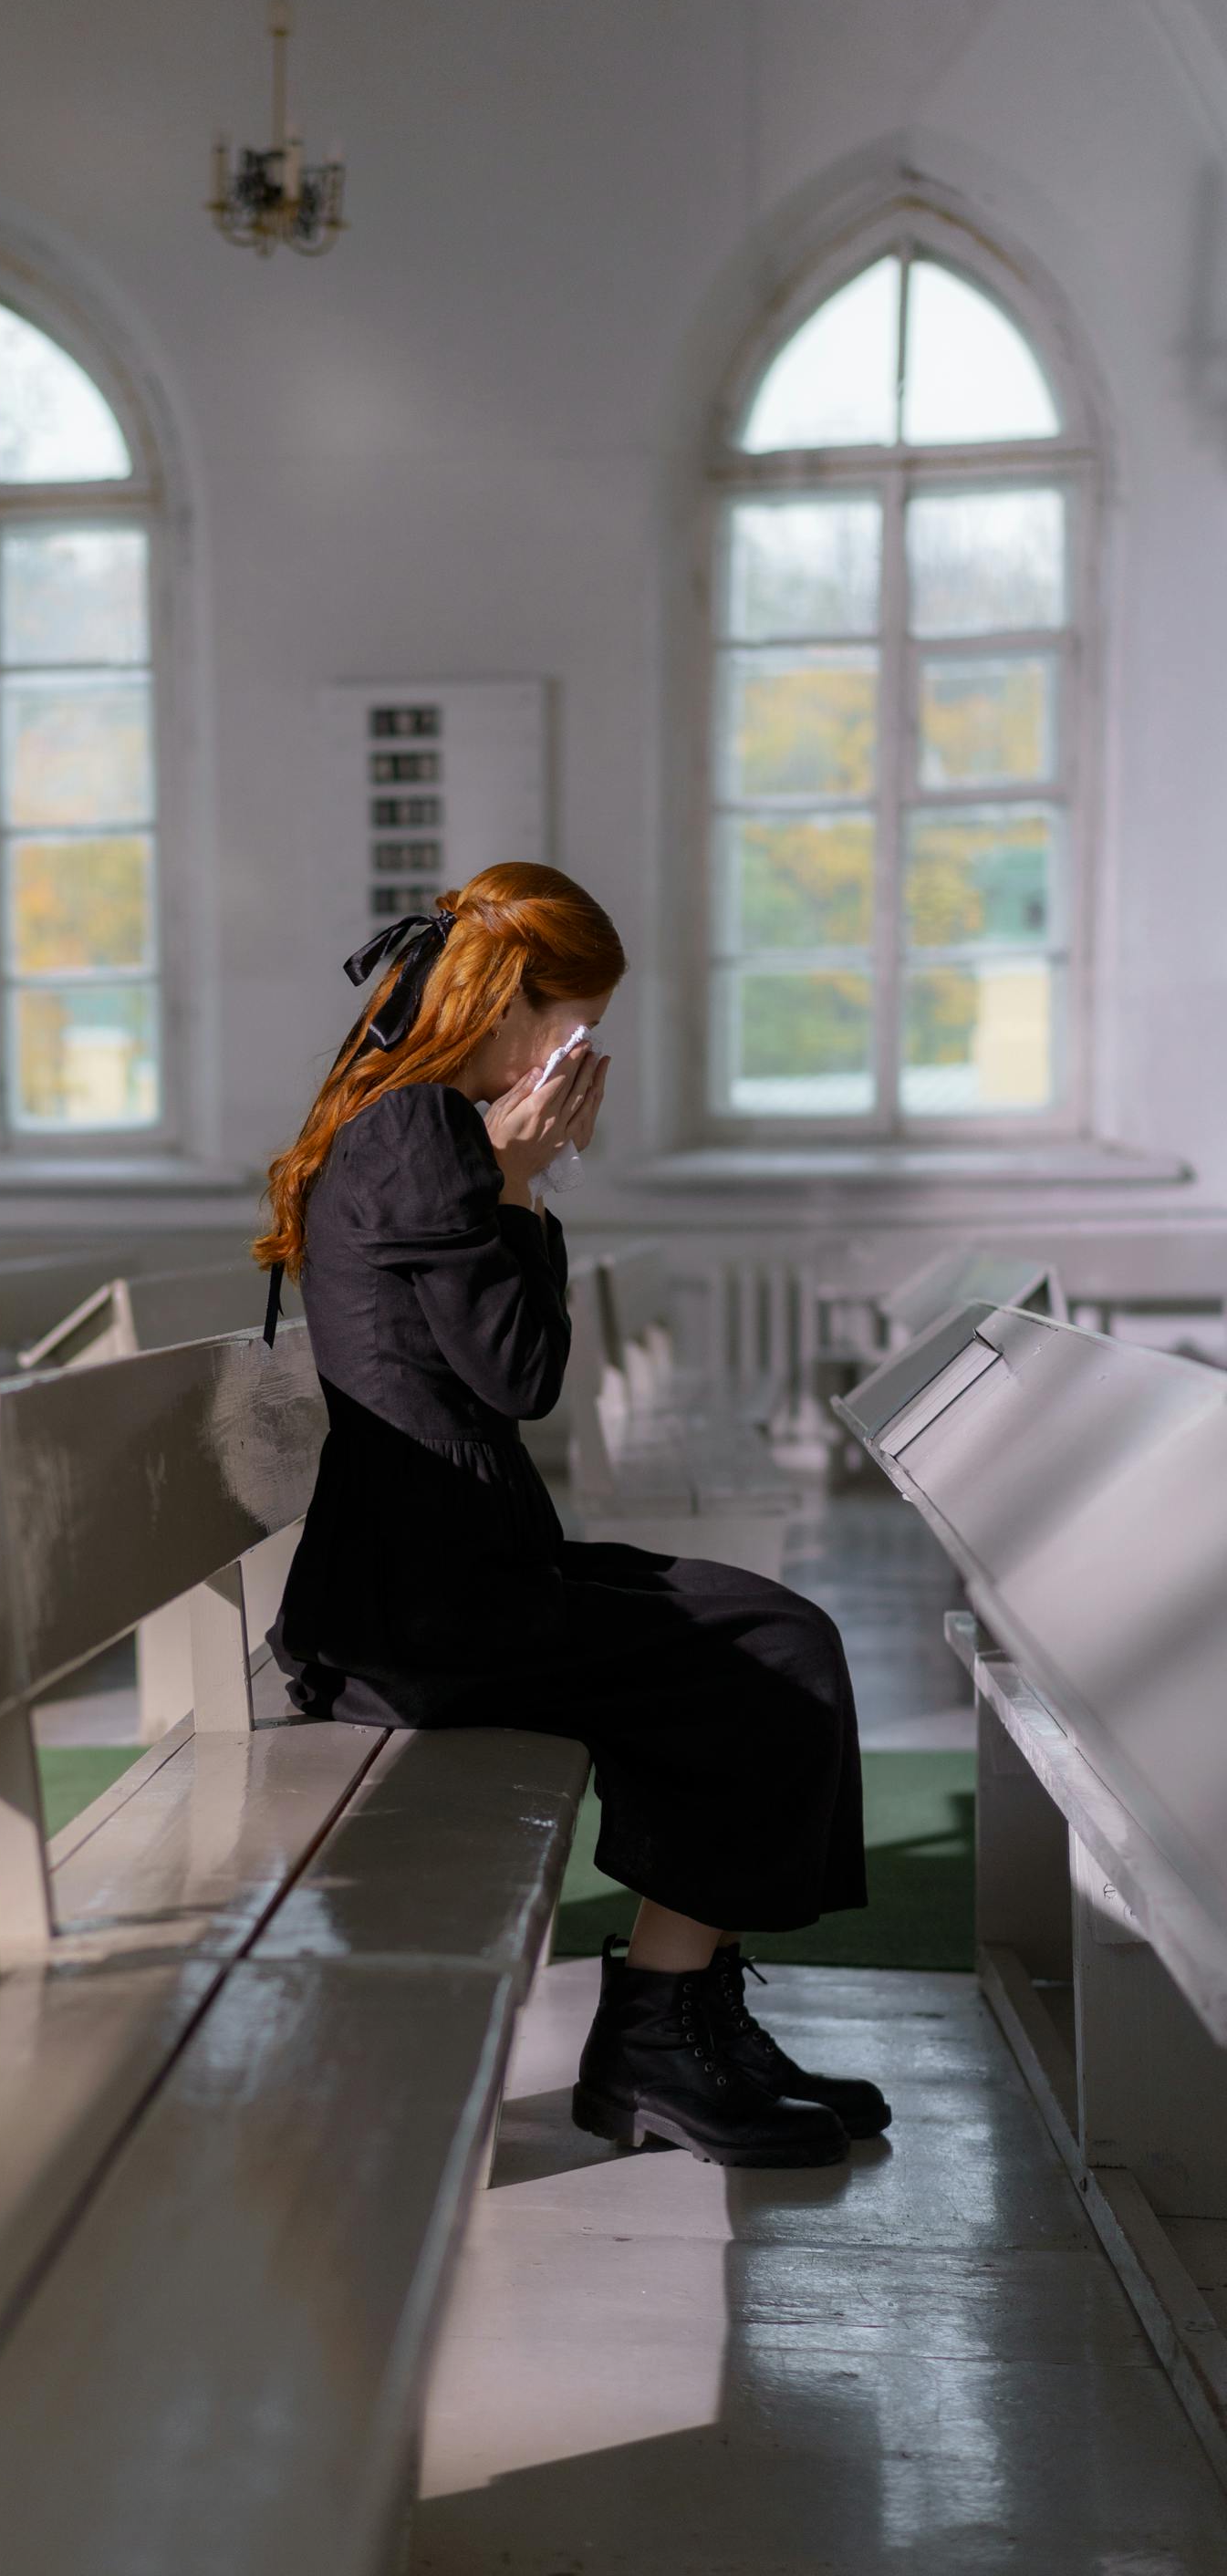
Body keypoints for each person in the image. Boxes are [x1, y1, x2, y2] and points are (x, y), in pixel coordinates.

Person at [253, 861, 887, 2170]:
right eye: (576, 1021)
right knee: (771, 1650)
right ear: (508, 1004)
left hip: (437, 1578)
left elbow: (491, 1370)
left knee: (763, 1633)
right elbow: (523, 1376)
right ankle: (658, 2043)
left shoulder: (405, 1123)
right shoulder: (425, 1133)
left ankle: (681, 2022)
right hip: (428, 1609)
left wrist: (513, 1182)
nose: (586, 1052)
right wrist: (525, 1186)